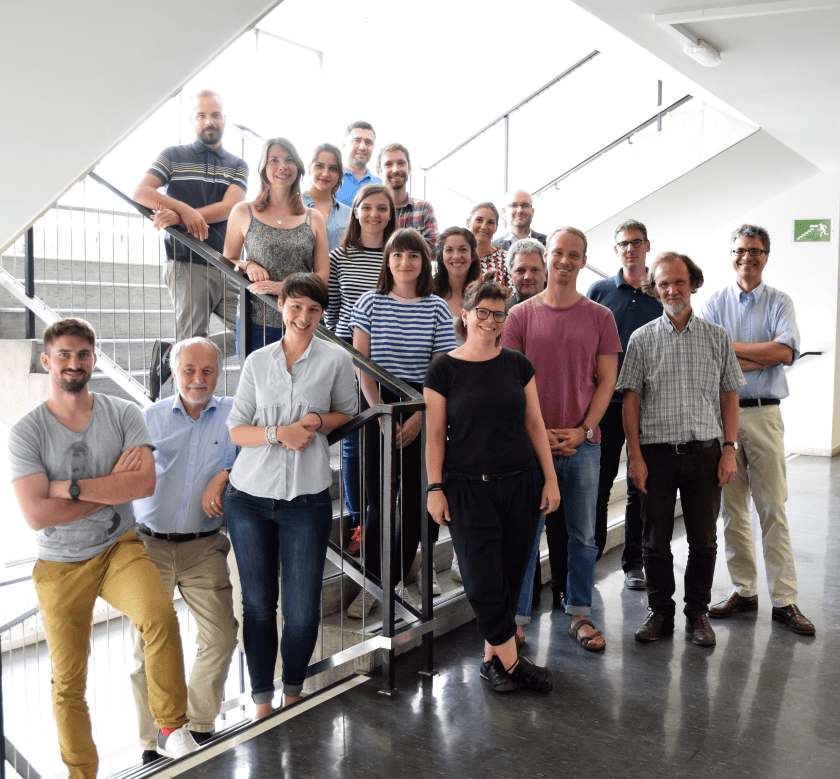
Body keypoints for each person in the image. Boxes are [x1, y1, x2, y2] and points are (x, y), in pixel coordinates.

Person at [8, 318, 199, 778]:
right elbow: (36, 515)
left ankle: (170, 727)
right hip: (59, 564)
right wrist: (111, 485)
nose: (74, 363)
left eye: (83, 355)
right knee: (68, 682)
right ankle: (82, 774)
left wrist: (69, 489)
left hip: (118, 547)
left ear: (94, 359)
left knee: (158, 615)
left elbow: (143, 483)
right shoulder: (27, 432)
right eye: (64, 355)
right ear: (46, 361)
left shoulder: (124, 414)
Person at [224, 273, 356, 718]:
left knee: (301, 612)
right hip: (248, 497)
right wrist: (277, 433)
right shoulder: (257, 361)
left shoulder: (336, 359)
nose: (303, 317)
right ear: (280, 306)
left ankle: (293, 694)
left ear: (322, 314)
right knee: (258, 606)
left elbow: (346, 414)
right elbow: (236, 429)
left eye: (313, 309)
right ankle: (262, 702)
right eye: (296, 306)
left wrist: (316, 421)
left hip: (307, 499)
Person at [425, 275, 560, 693]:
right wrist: (434, 487)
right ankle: (515, 665)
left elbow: (534, 424)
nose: (490, 320)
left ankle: (492, 661)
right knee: (483, 581)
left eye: (498, 314)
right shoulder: (443, 369)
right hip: (468, 488)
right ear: (465, 315)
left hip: (522, 483)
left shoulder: (518, 364)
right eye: (482, 312)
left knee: (511, 575)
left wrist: (550, 479)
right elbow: (434, 435)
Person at [617, 252, 744, 647]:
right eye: (664, 284)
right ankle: (660, 612)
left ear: (693, 284)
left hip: (706, 454)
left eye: (679, 282)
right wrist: (635, 458)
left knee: (703, 541)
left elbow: (729, 395)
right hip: (655, 456)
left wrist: (729, 448)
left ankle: (697, 613)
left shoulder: (717, 336)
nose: (672, 290)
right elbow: (631, 402)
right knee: (654, 542)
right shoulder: (641, 339)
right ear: (654, 289)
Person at [502, 228, 620, 652]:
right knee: (525, 538)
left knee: (582, 537)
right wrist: (538, 434)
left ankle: (580, 614)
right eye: (558, 253)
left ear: (584, 260)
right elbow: (511, 383)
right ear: (546, 256)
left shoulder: (600, 317)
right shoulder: (520, 316)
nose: (565, 261)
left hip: (583, 445)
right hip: (531, 447)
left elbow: (607, 381)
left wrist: (583, 429)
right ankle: (515, 621)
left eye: (574, 254)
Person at [701, 224, 815, 635]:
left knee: (772, 509)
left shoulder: (780, 302)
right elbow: (710, 355)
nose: (746, 256)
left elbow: (785, 352)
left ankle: (784, 600)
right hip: (723, 417)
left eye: (755, 250)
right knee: (732, 511)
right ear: (731, 255)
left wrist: (735, 352)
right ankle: (744, 591)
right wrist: (762, 355)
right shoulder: (714, 303)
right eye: (740, 250)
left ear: (766, 256)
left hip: (765, 414)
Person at [130, 337, 239, 765]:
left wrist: (225, 473)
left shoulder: (234, 415)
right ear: (174, 372)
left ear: (218, 373)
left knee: (221, 636)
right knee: (146, 649)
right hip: (148, 546)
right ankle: (152, 740)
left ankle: (196, 723)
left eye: (207, 370)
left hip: (203, 545)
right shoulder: (148, 419)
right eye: (189, 370)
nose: (198, 379)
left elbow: (252, 456)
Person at [347, 228, 457, 618]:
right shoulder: (369, 302)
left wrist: (418, 418)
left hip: (422, 403)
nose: (404, 262)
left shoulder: (437, 308)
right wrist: (381, 415)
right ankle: (371, 585)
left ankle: (393, 582)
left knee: (414, 504)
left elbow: (440, 371)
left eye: (413, 255)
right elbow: (362, 365)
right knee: (378, 503)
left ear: (424, 262)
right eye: (397, 255)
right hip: (375, 403)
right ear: (387, 261)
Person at [133, 89, 248, 399]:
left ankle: (173, 352)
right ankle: (186, 409)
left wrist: (184, 216)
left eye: (215, 114)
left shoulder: (238, 164)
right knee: (193, 348)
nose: (209, 121)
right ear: (192, 120)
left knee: (252, 331)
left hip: (225, 263)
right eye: (202, 115)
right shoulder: (173, 155)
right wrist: (184, 210)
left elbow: (231, 207)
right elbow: (142, 192)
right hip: (186, 262)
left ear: (224, 118)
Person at [586, 219, 662, 589]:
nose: (630, 248)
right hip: (604, 406)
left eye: (636, 242)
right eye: (624, 243)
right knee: (598, 488)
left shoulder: (660, 291)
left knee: (639, 486)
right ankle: (590, 557)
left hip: (647, 407)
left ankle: (634, 563)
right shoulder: (599, 290)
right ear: (616, 250)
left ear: (647, 246)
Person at [324, 183, 397, 547]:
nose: (374, 214)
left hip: (392, 361)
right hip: (349, 359)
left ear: (391, 214)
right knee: (354, 444)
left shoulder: (397, 253)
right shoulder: (340, 256)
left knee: (386, 441)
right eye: (367, 207)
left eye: (382, 208)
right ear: (355, 212)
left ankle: (384, 516)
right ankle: (359, 521)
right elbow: (331, 310)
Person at [222, 137, 329, 356]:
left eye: (289, 160)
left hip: (304, 321)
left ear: (298, 167)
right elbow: (227, 261)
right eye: (274, 160)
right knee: (257, 379)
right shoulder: (243, 211)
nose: (283, 166)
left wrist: (283, 287)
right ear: (263, 168)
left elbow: (322, 276)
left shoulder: (314, 217)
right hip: (256, 322)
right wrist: (248, 264)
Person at [376, 142, 439, 248]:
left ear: (409, 169)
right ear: (378, 171)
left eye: (401, 163)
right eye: (388, 164)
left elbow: (434, 249)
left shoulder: (424, 208)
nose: (396, 170)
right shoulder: (372, 210)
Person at [433, 226, 481, 344]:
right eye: (449, 250)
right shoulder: (428, 292)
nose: (456, 256)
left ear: (472, 255)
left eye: (463, 249)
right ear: (441, 256)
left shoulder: (484, 293)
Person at [302, 142, 352, 252]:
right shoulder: (293, 204)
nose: (325, 174)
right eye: (319, 166)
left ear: (339, 174)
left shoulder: (348, 213)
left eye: (332, 168)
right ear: (309, 168)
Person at [336, 121, 381, 207]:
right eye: (356, 141)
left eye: (368, 142)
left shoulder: (380, 185)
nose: (362, 147)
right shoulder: (330, 180)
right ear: (344, 144)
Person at [468, 202, 510, 286]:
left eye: (490, 222)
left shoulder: (507, 259)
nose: (484, 227)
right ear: (468, 223)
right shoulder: (459, 259)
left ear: (496, 228)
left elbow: (513, 293)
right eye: (479, 220)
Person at [506, 238, 547, 305]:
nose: (527, 277)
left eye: (535, 270)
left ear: (545, 274)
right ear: (510, 276)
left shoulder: (561, 307)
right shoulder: (502, 310)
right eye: (520, 270)